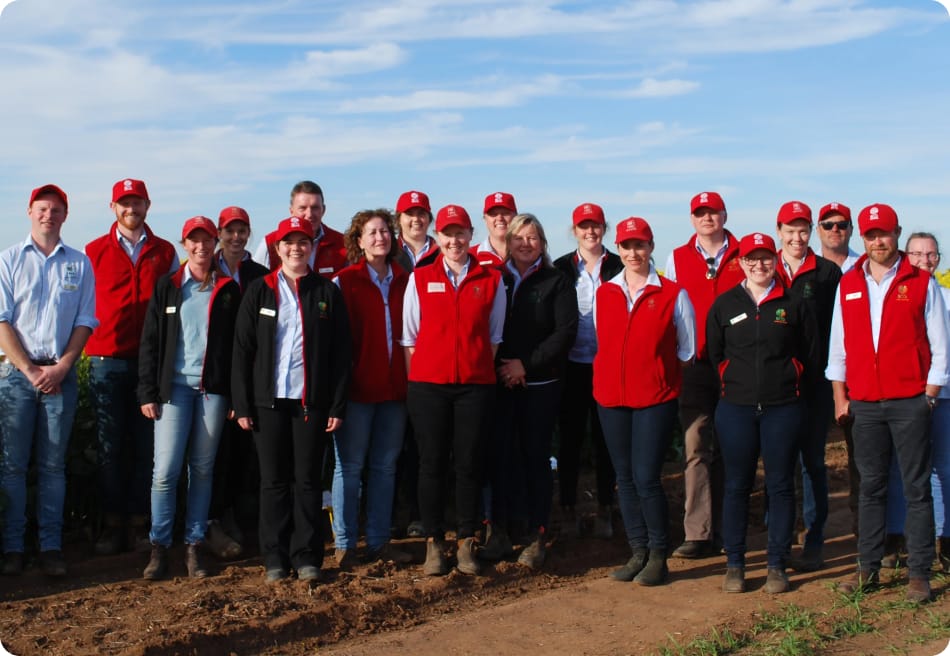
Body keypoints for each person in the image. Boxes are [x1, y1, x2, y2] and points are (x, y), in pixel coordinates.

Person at [829, 204, 949, 604]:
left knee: (916, 487)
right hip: (865, 402)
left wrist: (929, 394)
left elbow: (940, 345)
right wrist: (841, 396)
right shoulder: (849, 283)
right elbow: (839, 346)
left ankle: (919, 573)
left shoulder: (920, 281)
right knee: (871, 488)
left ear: (896, 233)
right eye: (871, 235)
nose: (878, 241)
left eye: (884, 233)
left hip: (910, 400)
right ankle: (868, 567)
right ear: (862, 238)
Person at [232, 216, 351, 583]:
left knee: (308, 481)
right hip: (268, 403)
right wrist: (243, 403)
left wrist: (337, 404)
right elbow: (242, 350)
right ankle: (274, 557)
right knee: (273, 481)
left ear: (311, 247)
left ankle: (307, 556)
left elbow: (341, 354)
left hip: (309, 402)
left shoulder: (326, 291)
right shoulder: (260, 290)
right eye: (289, 242)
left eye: (303, 242)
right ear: (277, 248)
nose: (296, 248)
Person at [707, 232, 820, 594]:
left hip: (783, 408)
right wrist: (733, 381)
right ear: (741, 263)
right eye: (751, 259)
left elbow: (810, 354)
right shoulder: (725, 305)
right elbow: (715, 354)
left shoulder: (794, 304)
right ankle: (735, 564)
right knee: (737, 485)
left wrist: (792, 381)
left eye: (766, 258)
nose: (759, 265)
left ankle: (776, 565)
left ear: (775, 260)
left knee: (780, 485)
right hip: (736, 409)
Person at [402, 204, 506, 577]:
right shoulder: (420, 277)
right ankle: (434, 542)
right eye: (447, 234)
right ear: (438, 237)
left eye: (460, 233)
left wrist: (474, 369)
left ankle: (465, 541)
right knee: (431, 464)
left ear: (470, 235)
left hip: (474, 387)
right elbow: (409, 337)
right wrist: (420, 381)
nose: (454, 241)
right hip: (429, 387)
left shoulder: (490, 279)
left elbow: (494, 337)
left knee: (469, 464)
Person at [0, 184, 98, 577]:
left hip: (60, 377)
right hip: (17, 378)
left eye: (56, 210)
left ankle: (51, 547)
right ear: (29, 211)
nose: (49, 215)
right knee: (12, 466)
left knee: (53, 466)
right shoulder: (9, 259)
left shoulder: (79, 263)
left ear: (65, 216)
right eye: (42, 208)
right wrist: (29, 370)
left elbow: (85, 321)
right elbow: (2, 321)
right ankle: (12, 548)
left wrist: (61, 368)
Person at [137, 216, 241, 580]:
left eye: (207, 240)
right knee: (165, 471)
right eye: (193, 240)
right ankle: (160, 545)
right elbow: (150, 342)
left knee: (202, 469)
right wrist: (147, 391)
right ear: (185, 244)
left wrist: (235, 396)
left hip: (212, 391)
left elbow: (237, 347)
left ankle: (194, 544)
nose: (201, 246)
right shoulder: (168, 286)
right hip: (174, 390)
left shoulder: (227, 289)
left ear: (215, 243)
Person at [594, 217, 695, 586]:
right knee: (624, 478)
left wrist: (654, 372)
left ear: (651, 247)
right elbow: (603, 341)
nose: (633, 253)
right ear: (618, 249)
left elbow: (687, 351)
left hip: (654, 398)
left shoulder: (672, 294)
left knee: (646, 477)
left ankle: (658, 554)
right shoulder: (606, 292)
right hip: (611, 399)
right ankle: (637, 550)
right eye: (626, 246)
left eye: (640, 245)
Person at [84, 178, 178, 556]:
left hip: (149, 363)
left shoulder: (165, 251)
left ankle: (140, 524)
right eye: (124, 203)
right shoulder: (93, 251)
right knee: (109, 447)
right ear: (113, 208)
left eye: (137, 202)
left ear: (147, 206)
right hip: (105, 360)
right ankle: (111, 525)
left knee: (145, 448)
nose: (131, 209)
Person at [482, 213, 577, 569]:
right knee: (499, 457)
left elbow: (564, 332)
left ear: (543, 244)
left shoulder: (556, 281)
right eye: (519, 238)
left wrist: (525, 365)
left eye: (533, 238)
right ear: (508, 242)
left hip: (541, 385)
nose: (525, 244)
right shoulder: (496, 277)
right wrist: (503, 369)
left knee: (535, 458)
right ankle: (500, 531)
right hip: (500, 383)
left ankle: (537, 533)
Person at [663, 191, 745, 558]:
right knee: (696, 446)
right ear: (692, 219)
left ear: (724, 215)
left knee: (731, 446)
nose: (707, 218)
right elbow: (671, 307)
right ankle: (697, 532)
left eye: (713, 212)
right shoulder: (677, 257)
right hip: (694, 366)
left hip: (735, 365)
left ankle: (729, 530)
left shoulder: (744, 254)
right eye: (700, 213)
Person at [331, 209, 411, 567]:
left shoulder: (407, 281)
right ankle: (345, 543)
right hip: (357, 392)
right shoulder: (344, 282)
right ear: (359, 241)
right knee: (348, 468)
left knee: (385, 468)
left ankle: (379, 542)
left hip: (395, 392)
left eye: (385, 231)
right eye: (372, 233)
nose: (380, 237)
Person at [772, 201, 842, 572]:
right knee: (778, 462)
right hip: (775, 384)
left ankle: (814, 538)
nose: (797, 237)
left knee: (812, 462)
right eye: (790, 230)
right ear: (779, 231)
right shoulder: (765, 267)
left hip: (814, 383)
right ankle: (778, 539)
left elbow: (838, 328)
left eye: (803, 230)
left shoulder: (827, 273)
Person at [553, 203, 623, 538]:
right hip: (572, 366)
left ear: (604, 229)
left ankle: (606, 506)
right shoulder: (561, 268)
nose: (590, 232)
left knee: (605, 440)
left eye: (595, 225)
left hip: (608, 365)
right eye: (584, 226)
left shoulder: (619, 265)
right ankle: (568, 507)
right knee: (569, 440)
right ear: (575, 230)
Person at [203, 206, 269, 560]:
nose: (236, 237)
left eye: (242, 231)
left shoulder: (259, 275)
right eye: (230, 231)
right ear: (219, 234)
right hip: (214, 374)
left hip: (251, 375)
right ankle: (213, 518)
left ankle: (238, 517)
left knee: (245, 453)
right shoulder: (205, 269)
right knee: (215, 454)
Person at [252, 180, 347, 277]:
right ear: (291, 211)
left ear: (323, 210)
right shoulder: (269, 243)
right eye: (302, 208)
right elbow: (255, 280)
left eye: (315, 208)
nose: (309, 214)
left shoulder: (342, 243)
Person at [393, 190, 439, 272]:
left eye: (421, 214)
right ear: (398, 219)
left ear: (429, 218)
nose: (416, 219)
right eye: (409, 214)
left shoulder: (441, 253)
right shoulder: (389, 252)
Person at [471, 192, 517, 267]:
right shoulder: (470, 257)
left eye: (505, 213)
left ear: (516, 217)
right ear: (485, 219)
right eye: (493, 214)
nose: (499, 218)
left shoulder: (527, 254)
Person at [816, 203, 861, 272]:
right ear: (818, 230)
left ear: (851, 230)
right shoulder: (804, 266)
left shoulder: (865, 267)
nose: (835, 229)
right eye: (828, 225)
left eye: (842, 225)